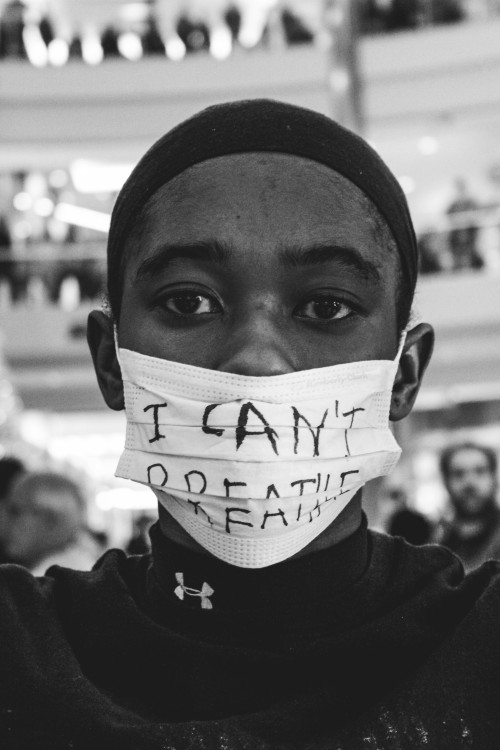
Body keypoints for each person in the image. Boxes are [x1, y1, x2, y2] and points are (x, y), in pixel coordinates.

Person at [0, 100, 498, 748]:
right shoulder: (21, 653)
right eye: (188, 301)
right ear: (111, 360)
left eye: (326, 306)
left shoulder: (480, 646)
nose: (257, 359)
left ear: (402, 374)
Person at [2, 470, 105, 574]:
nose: (3, 519)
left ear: (50, 522)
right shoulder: (77, 567)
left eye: (15, 511)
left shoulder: (49, 581)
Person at [436, 441, 500, 572]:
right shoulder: (437, 541)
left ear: (494, 478)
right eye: (459, 474)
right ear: (446, 482)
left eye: (480, 471)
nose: (469, 482)